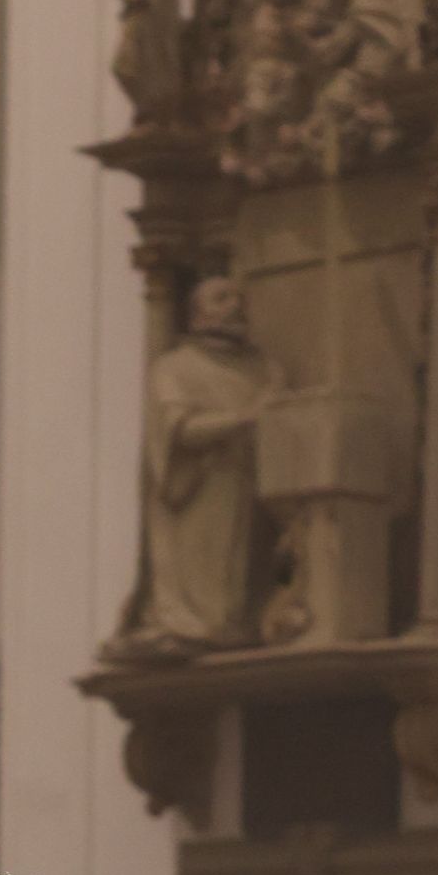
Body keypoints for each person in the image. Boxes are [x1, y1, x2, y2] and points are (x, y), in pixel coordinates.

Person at [104, 277, 284, 661]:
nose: (235, 305)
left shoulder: (262, 368)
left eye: (239, 297)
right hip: (201, 489)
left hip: (251, 487)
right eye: (222, 298)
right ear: (196, 313)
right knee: (207, 574)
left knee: (242, 572)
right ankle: (193, 624)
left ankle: (239, 624)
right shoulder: (176, 368)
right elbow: (181, 431)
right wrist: (247, 417)